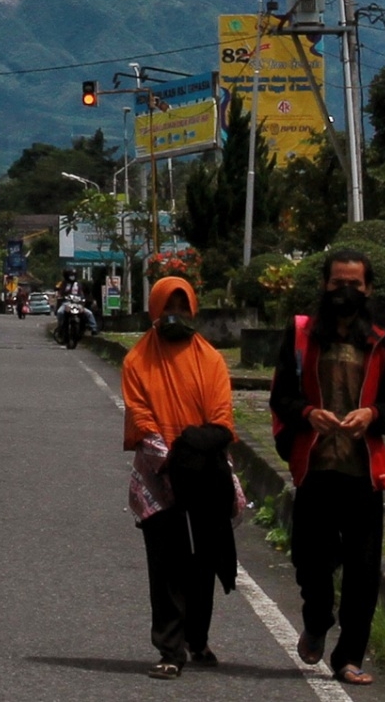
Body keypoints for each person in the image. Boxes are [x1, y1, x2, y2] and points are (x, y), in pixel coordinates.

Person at [270, 248, 385, 687]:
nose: (346, 291)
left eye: (355, 284)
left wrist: (371, 416)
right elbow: (281, 397)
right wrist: (308, 413)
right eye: (337, 283)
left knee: (364, 571)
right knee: (311, 562)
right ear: (325, 285)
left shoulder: (382, 339)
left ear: (368, 289)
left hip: (363, 472)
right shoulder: (301, 334)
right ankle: (315, 620)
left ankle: (349, 657)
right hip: (315, 467)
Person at [122, 277, 242, 680]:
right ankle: (170, 648)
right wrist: (169, 459)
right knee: (166, 564)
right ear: (155, 312)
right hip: (157, 478)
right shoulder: (137, 360)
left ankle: (197, 638)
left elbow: (221, 419)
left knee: (202, 561)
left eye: (182, 308)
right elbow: (141, 418)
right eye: (167, 308)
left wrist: (192, 454)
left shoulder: (210, 360)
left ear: (194, 311)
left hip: (203, 472)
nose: (175, 316)